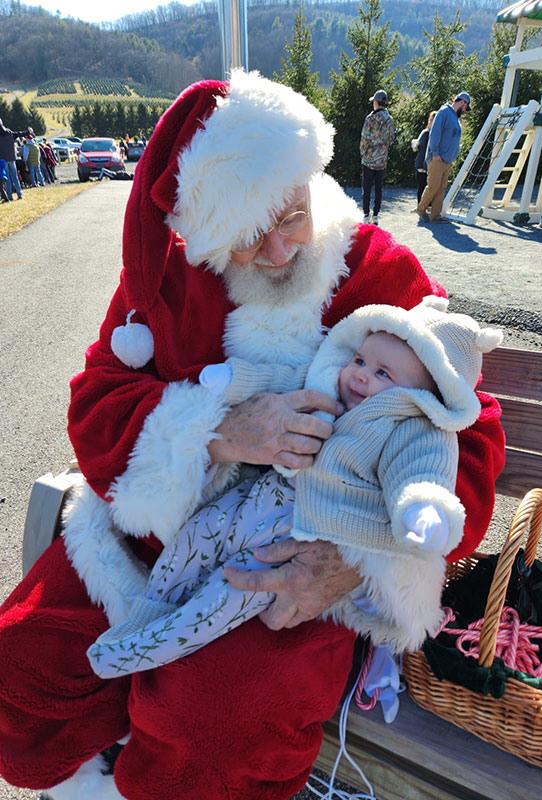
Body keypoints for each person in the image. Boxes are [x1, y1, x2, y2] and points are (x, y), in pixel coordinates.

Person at [0, 70, 504, 800]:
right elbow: (100, 399)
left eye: (290, 217)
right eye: (244, 237)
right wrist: (215, 431)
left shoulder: (381, 271)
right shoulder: (168, 276)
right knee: (20, 675)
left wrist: (353, 563)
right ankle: (102, 766)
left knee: (215, 721)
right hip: (153, 539)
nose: (275, 251)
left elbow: (471, 428)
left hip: (301, 557)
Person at [87, 298, 503, 679]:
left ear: (420, 394)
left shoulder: (413, 429)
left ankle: (146, 650)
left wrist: (423, 511)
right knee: (195, 537)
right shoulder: (334, 388)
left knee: (236, 585)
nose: (359, 374)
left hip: (303, 532)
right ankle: (146, 614)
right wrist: (234, 380)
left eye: (382, 373)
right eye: (359, 359)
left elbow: (421, 476)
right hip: (259, 497)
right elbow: (283, 379)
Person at [415, 91, 471, 223]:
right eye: (465, 107)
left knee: (441, 188)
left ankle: (436, 215)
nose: (464, 110)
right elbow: (435, 133)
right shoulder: (444, 112)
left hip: (446, 160)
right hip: (437, 159)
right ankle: (421, 209)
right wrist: (435, 153)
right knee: (433, 186)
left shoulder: (454, 117)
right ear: (462, 102)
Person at [360, 89, 396, 225]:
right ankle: (375, 215)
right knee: (379, 188)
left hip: (369, 160)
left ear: (376, 102)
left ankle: (365, 214)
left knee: (367, 188)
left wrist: (363, 154)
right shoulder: (390, 120)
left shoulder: (370, 119)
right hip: (382, 160)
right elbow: (391, 139)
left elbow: (364, 138)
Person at [0, 118, 31, 199]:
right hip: (12, 158)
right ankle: (19, 194)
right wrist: (28, 131)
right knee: (15, 176)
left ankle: (9, 196)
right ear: (2, 124)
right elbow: (20, 133)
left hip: (3, 159)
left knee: (7, 178)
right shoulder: (10, 133)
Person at [411, 111, 436, 204]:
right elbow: (416, 146)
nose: (431, 122)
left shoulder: (437, 134)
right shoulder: (425, 132)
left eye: (433, 120)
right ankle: (420, 206)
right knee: (421, 187)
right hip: (421, 164)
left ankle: (427, 206)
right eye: (430, 119)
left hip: (431, 165)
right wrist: (414, 142)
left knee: (429, 188)